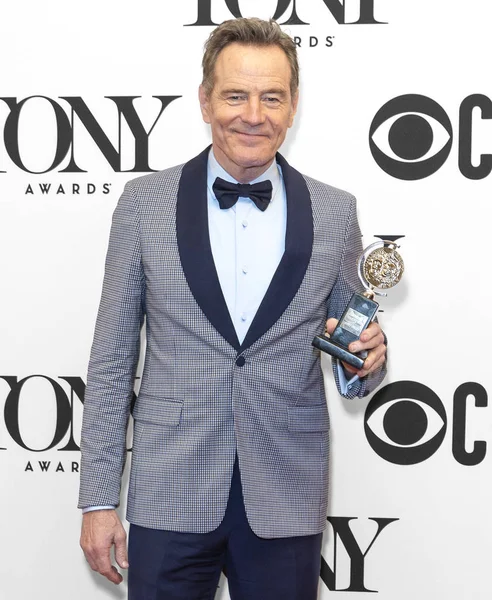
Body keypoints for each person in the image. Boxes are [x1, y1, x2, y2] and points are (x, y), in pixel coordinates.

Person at [79, 17, 387, 600]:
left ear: (293, 106)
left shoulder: (335, 211)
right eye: (235, 95)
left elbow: (350, 348)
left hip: (285, 496)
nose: (254, 114)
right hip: (170, 489)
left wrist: (364, 360)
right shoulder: (144, 204)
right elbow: (113, 359)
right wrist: (98, 500)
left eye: (272, 96)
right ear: (204, 100)